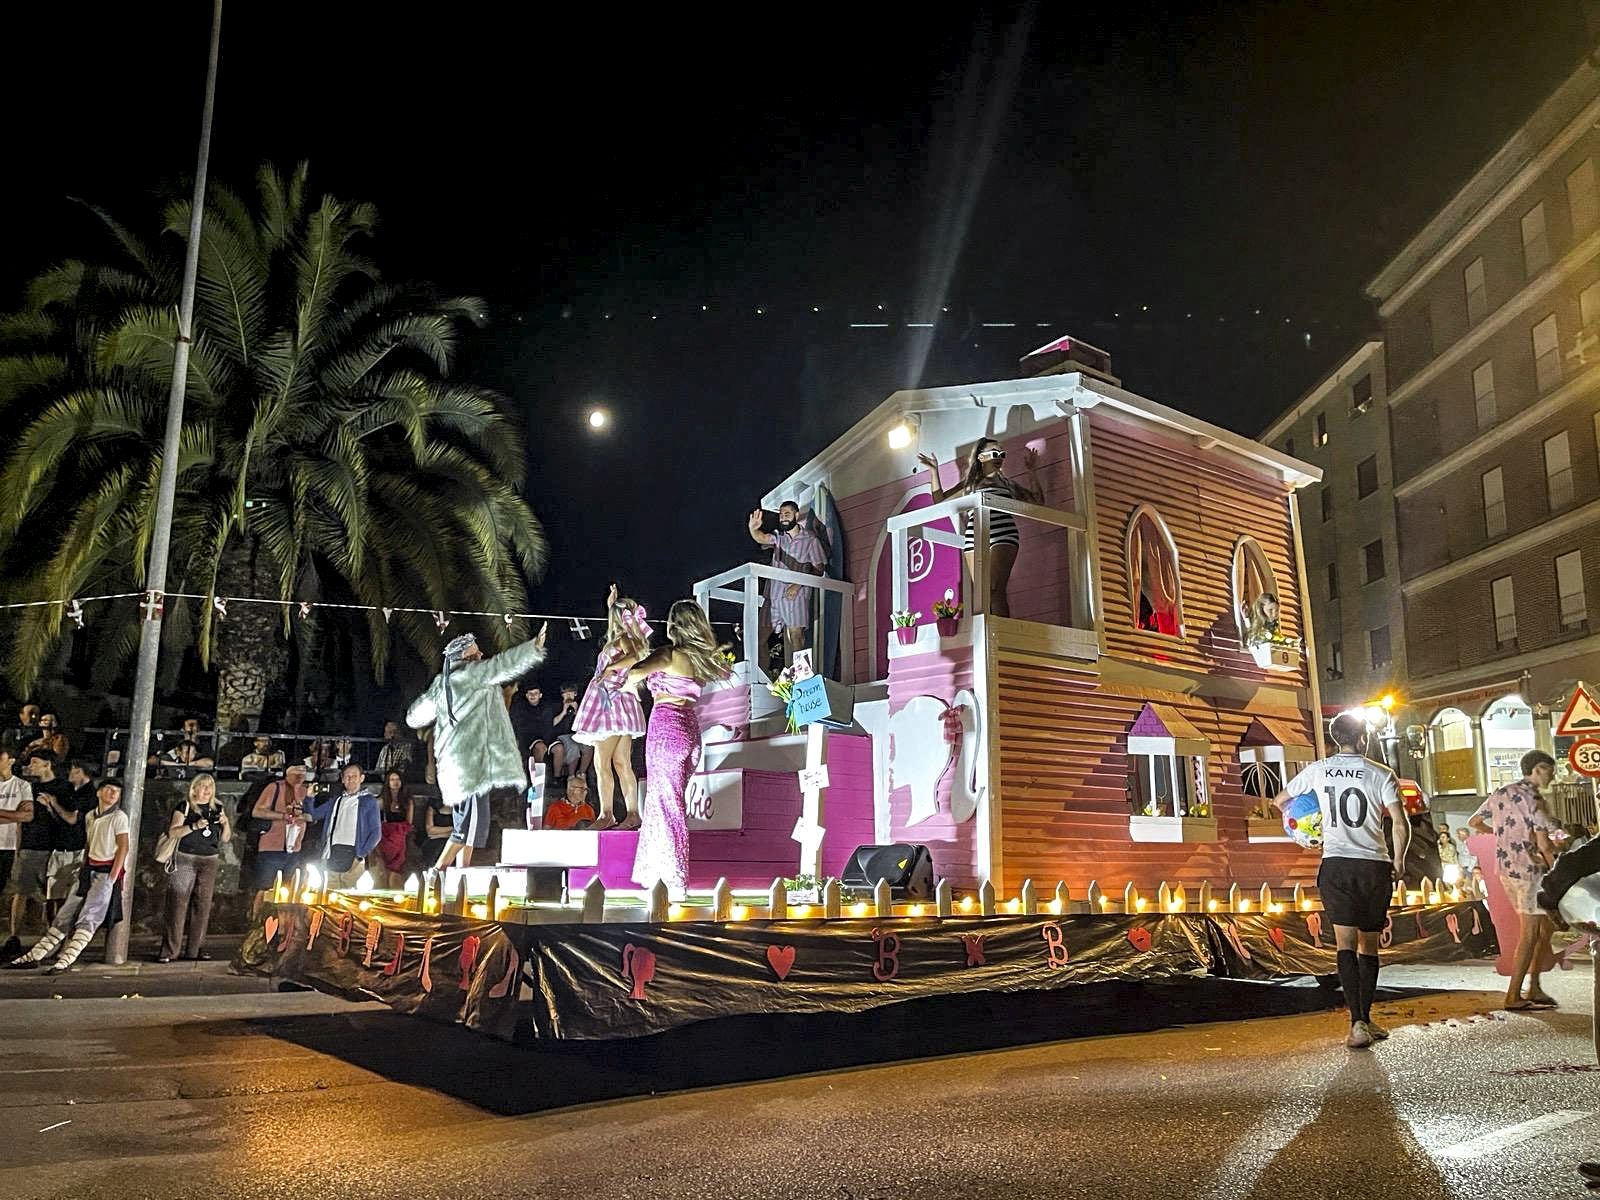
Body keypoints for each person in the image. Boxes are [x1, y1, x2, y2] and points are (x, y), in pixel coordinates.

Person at [1274, 711, 1407, 1049]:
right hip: (1373, 866)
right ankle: (1366, 1018)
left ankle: (1356, 1024)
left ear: (1336, 740)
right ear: (1362, 739)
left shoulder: (1318, 770)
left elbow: (1280, 802)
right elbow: (1400, 823)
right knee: (1370, 945)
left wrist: (1307, 830)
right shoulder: (1382, 773)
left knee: (1344, 943)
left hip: (1335, 865)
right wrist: (1400, 859)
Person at [406, 624, 548, 872]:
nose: (482, 657)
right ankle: (437, 873)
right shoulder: (471, 675)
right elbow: (501, 666)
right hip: (469, 765)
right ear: (466, 658)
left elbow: (415, 716)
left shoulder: (443, 684)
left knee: (472, 828)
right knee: (465, 828)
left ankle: (461, 873)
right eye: (477, 654)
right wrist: (532, 648)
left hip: (459, 765)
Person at [625, 600, 731, 900]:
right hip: (689, 732)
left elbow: (635, 672)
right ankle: (660, 876)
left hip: (666, 730)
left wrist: (633, 682)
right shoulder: (699, 661)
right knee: (671, 804)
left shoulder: (669, 654)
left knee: (663, 804)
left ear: (674, 625)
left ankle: (672, 881)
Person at [5, 778, 129, 972]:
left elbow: (123, 846)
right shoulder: (91, 816)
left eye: (116, 791)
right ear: (99, 793)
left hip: (105, 871)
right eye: (109, 790)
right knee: (66, 912)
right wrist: (85, 866)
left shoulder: (119, 817)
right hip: (89, 868)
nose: (113, 794)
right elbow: (89, 842)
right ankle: (37, 954)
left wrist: (113, 876)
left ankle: (66, 959)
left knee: (90, 915)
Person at [1469, 749, 1561, 1011]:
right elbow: (1545, 843)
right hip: (1530, 871)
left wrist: (1501, 835)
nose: (1551, 775)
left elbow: (1474, 821)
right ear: (1536, 769)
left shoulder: (1500, 793)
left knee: (1543, 930)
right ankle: (1514, 994)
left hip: (1506, 869)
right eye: (1548, 769)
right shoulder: (1534, 799)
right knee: (1531, 932)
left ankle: (1534, 986)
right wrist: (1557, 870)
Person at [917, 438, 1044, 618]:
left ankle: (1001, 635)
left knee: (995, 588)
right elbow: (940, 502)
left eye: (1002, 454)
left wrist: (1032, 471)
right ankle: (986, 634)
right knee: (982, 593)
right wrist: (934, 471)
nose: (999, 457)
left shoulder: (1007, 484)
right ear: (981, 457)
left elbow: (1037, 500)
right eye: (994, 453)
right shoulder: (970, 484)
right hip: (974, 536)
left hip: (1003, 534)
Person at [572, 584, 650, 830]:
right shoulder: (622, 636)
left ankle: (607, 814)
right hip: (618, 702)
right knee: (621, 763)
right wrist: (610, 606)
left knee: (601, 762)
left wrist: (608, 669)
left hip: (612, 703)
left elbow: (635, 657)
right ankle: (631, 813)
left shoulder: (624, 638)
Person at [159, 773, 231, 962]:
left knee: (203, 905)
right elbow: (173, 832)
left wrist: (226, 823)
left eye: (210, 786)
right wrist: (194, 826)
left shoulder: (218, 807)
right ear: (194, 788)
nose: (207, 790)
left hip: (210, 859)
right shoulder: (185, 807)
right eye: (203, 786)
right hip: (186, 857)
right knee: (178, 904)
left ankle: (195, 950)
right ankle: (170, 951)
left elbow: (225, 838)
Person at [746, 499, 827, 667]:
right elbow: (762, 538)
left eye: (787, 514)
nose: (783, 517)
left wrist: (798, 584)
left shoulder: (810, 540)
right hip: (773, 596)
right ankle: (765, 680)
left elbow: (819, 569)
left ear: (796, 515)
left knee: (795, 637)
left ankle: (802, 680)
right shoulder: (779, 537)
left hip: (795, 596)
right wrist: (753, 529)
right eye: (781, 514)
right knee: (758, 638)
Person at [8, 751, 61, 940]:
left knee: (52, 896)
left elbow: (68, 821)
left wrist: (51, 806)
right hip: (30, 848)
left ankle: (50, 938)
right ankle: (14, 937)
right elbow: (20, 821)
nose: (30, 766)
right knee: (21, 892)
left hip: (53, 849)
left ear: (48, 765)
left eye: (35, 762)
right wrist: (18, 848)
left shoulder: (61, 788)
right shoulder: (28, 788)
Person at [305, 763, 381, 890]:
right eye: (347, 776)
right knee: (329, 895)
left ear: (361, 778)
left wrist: (360, 855)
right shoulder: (336, 800)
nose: (350, 779)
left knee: (352, 898)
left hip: (354, 856)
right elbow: (314, 815)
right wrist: (309, 798)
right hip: (331, 853)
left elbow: (375, 833)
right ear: (342, 778)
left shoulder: (369, 801)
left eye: (354, 776)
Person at [250, 764, 308, 915]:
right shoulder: (275, 787)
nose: (300, 774)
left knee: (289, 889)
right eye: (297, 770)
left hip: (294, 848)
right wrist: (283, 817)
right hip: (271, 846)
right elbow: (257, 811)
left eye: (304, 771)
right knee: (265, 888)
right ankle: (257, 926)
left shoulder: (304, 791)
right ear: (288, 772)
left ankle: (282, 926)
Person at [0, 749, 35, 961]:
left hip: (8, 846)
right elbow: (19, 815)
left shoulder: (22, 785)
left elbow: (28, 815)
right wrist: (13, 816)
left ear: (11, 760)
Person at [373, 771, 414, 887]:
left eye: (397, 779)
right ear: (388, 782)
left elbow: (408, 824)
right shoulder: (381, 801)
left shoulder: (408, 801)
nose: (395, 782)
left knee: (395, 874)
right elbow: (377, 823)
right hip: (384, 837)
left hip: (400, 836)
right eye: (392, 779)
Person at [548, 684, 592, 782]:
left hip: (577, 734)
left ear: (575, 694)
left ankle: (581, 774)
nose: (568, 695)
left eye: (570, 693)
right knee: (573, 745)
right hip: (560, 735)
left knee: (588, 746)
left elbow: (586, 723)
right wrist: (564, 711)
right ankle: (571, 776)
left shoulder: (581, 705)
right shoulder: (556, 706)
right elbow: (552, 724)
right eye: (565, 693)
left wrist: (576, 711)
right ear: (562, 695)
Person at [417, 791, 452, 871]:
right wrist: (452, 829)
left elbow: (461, 832)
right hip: (434, 842)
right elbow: (429, 830)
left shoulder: (460, 805)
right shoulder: (433, 803)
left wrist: (438, 833)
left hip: (451, 842)